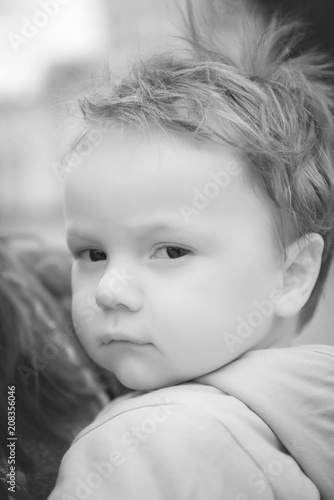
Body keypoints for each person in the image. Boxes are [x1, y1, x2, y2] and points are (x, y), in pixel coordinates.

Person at [49, 1, 334, 499]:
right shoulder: (311, 411)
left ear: (292, 275)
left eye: (171, 251)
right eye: (92, 254)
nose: (111, 292)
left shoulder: (146, 443)